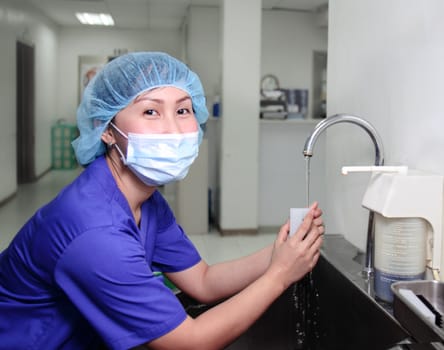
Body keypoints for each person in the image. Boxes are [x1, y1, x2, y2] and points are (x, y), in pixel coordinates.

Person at [0, 52, 324, 349]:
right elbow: (190, 343)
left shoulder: (143, 198)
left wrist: (282, 251)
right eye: (151, 111)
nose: (172, 129)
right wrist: (279, 275)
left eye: (183, 110)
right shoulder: (96, 231)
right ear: (107, 129)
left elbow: (203, 281)